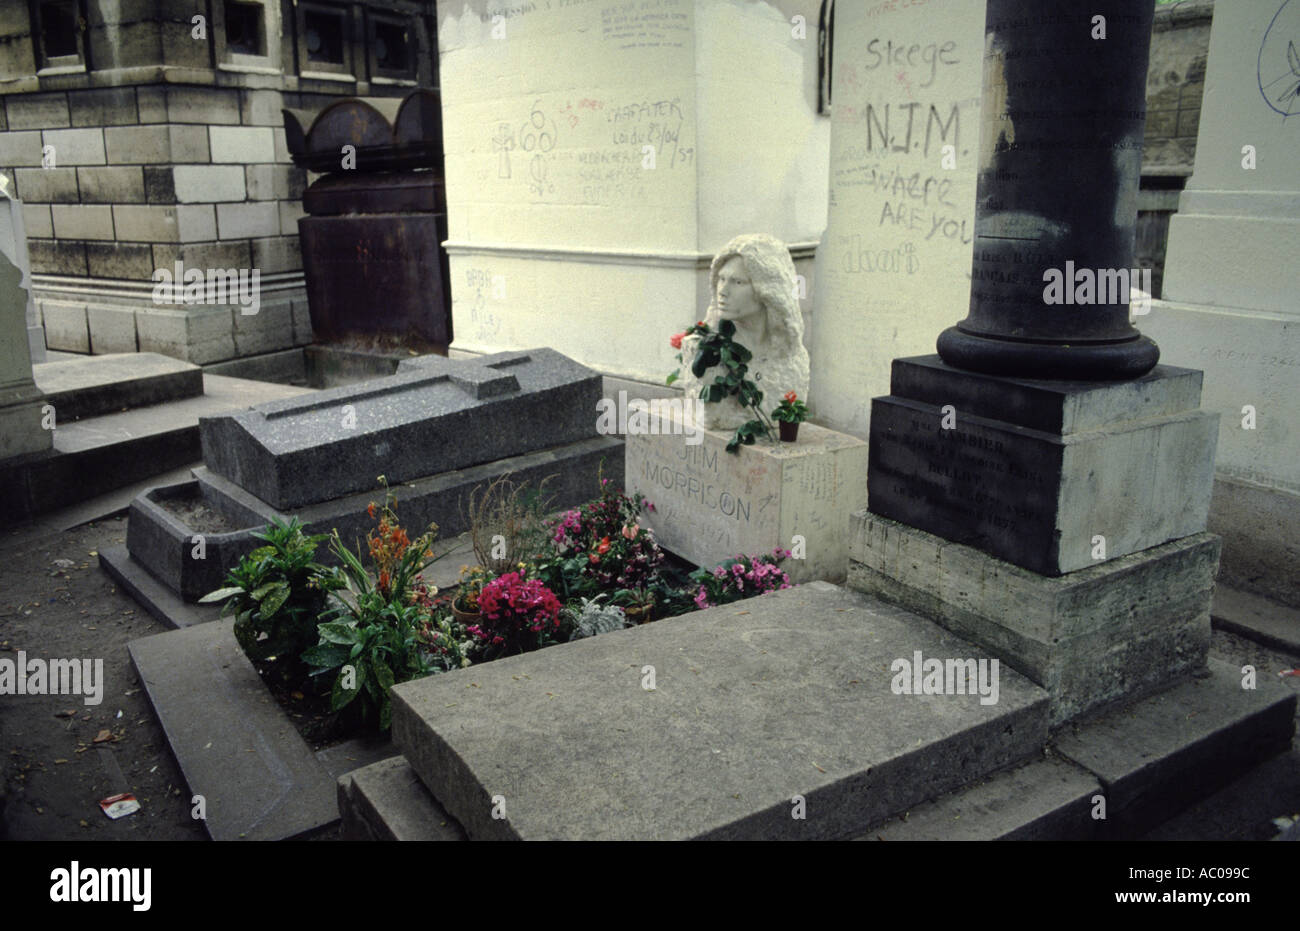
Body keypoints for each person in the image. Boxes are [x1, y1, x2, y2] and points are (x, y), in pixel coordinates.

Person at [678, 234, 811, 430]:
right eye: (721, 279)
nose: (722, 291)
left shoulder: (792, 359)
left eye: (737, 282)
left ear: (767, 291)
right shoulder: (705, 351)